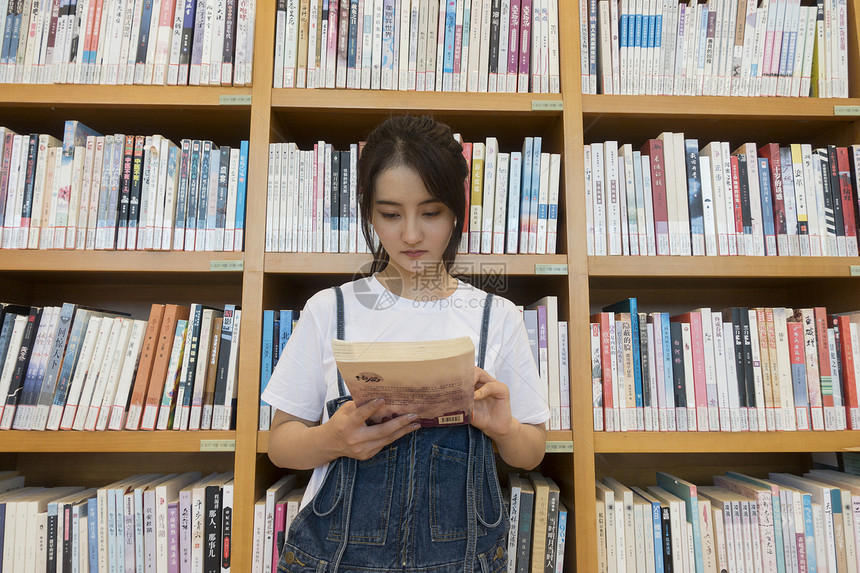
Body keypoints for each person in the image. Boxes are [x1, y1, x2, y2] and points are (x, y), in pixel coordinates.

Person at [264, 115, 550, 573]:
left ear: (457, 212)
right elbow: (281, 443)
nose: (411, 235)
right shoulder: (329, 309)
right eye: (391, 214)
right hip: (335, 559)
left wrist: (505, 430)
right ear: (370, 212)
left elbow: (532, 450)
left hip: (465, 560)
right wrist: (330, 439)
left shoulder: (496, 316)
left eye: (431, 213)